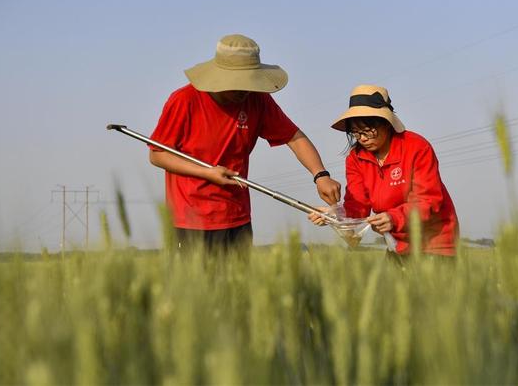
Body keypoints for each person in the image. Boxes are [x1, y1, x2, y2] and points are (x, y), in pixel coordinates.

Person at [149, 34, 341, 253]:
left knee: (237, 286)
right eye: (238, 84)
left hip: (237, 216)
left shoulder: (257, 100)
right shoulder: (184, 100)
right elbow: (157, 154)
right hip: (191, 219)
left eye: (248, 83)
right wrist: (207, 173)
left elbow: (294, 138)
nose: (244, 90)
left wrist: (321, 175)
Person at [309, 84, 459, 256]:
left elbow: (428, 201)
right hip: (396, 244)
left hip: (435, 244)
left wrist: (394, 218)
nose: (363, 138)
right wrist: (334, 214)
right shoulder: (355, 158)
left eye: (368, 131)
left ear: (386, 124)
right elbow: (357, 206)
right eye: (356, 133)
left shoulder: (416, 146)